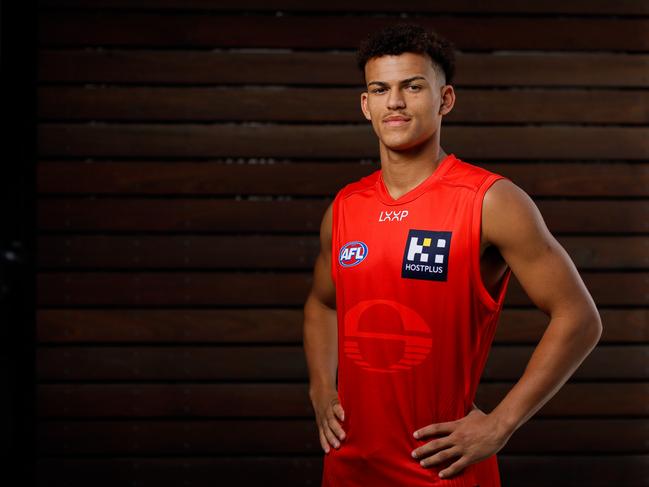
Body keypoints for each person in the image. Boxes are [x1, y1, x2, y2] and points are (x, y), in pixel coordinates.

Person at [302, 22, 602, 487]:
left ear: (445, 100)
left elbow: (579, 318)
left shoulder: (490, 200)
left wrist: (500, 424)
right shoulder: (345, 207)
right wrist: (322, 387)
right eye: (380, 89)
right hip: (349, 463)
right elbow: (322, 303)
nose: (395, 102)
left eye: (412, 87)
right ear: (366, 105)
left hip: (442, 465)